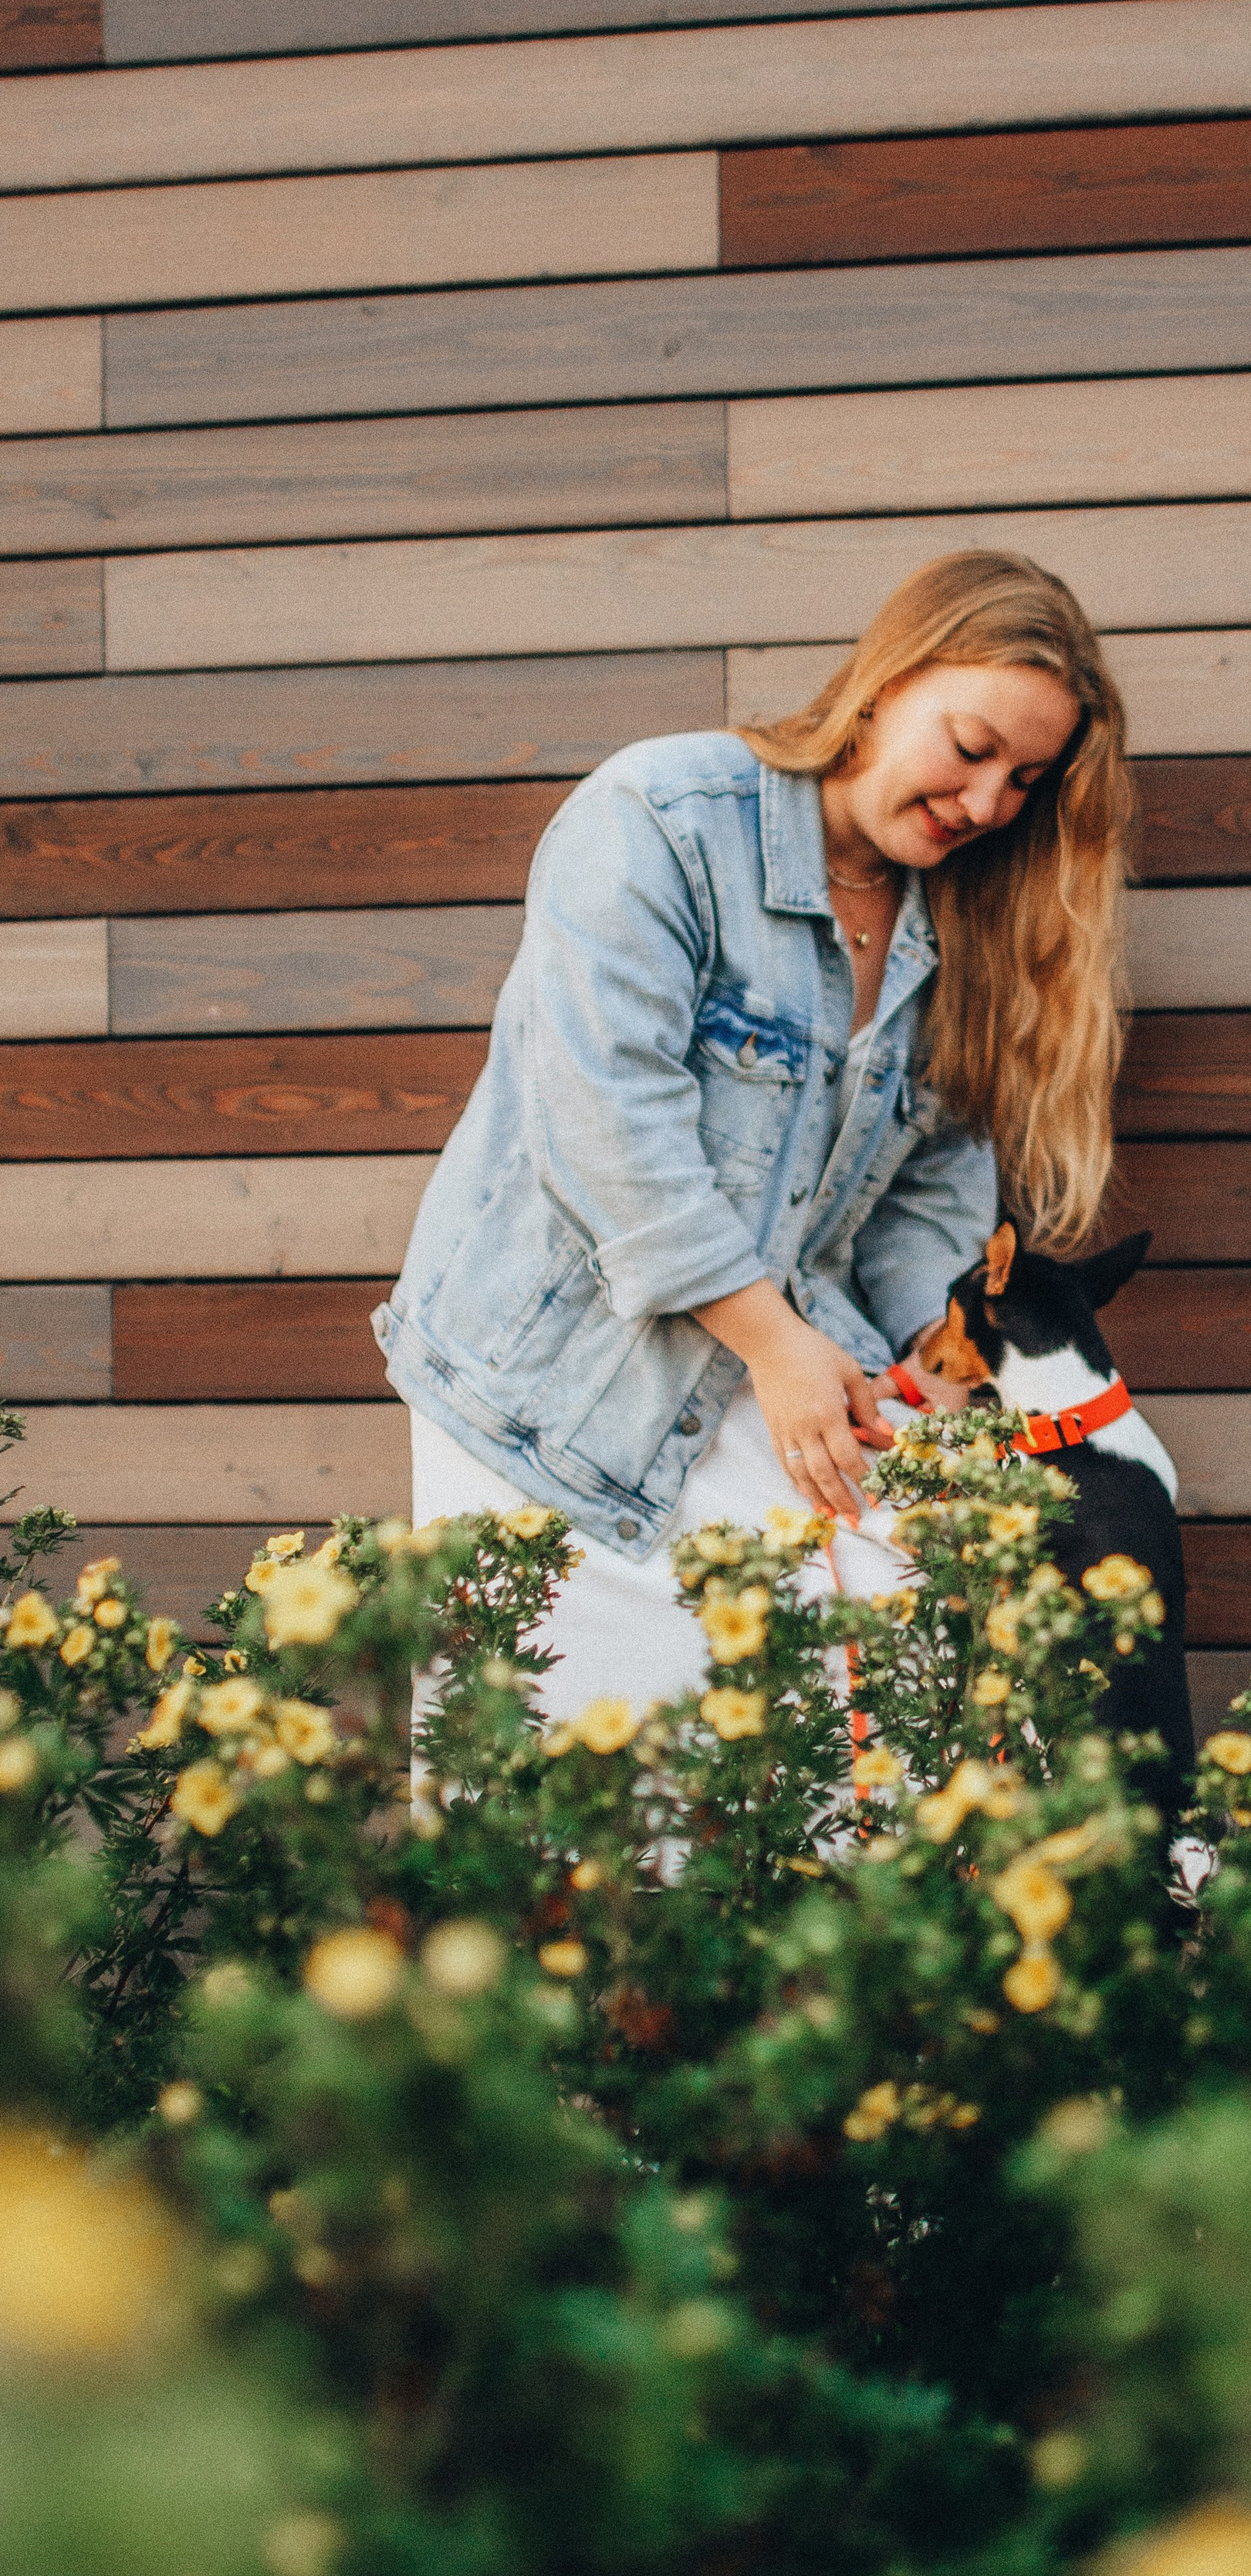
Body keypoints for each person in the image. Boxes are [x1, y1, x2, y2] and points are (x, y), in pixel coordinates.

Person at [374, 550, 1133, 1710]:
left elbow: (926, 1197)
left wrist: (941, 1383)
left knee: (826, 1772)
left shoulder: (959, 928)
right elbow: (602, 1117)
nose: (987, 805)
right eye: (973, 748)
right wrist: (776, 1349)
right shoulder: (661, 821)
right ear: (886, 681)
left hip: (783, 1366)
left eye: (1024, 780)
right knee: (561, 1818)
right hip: (561, 1396)